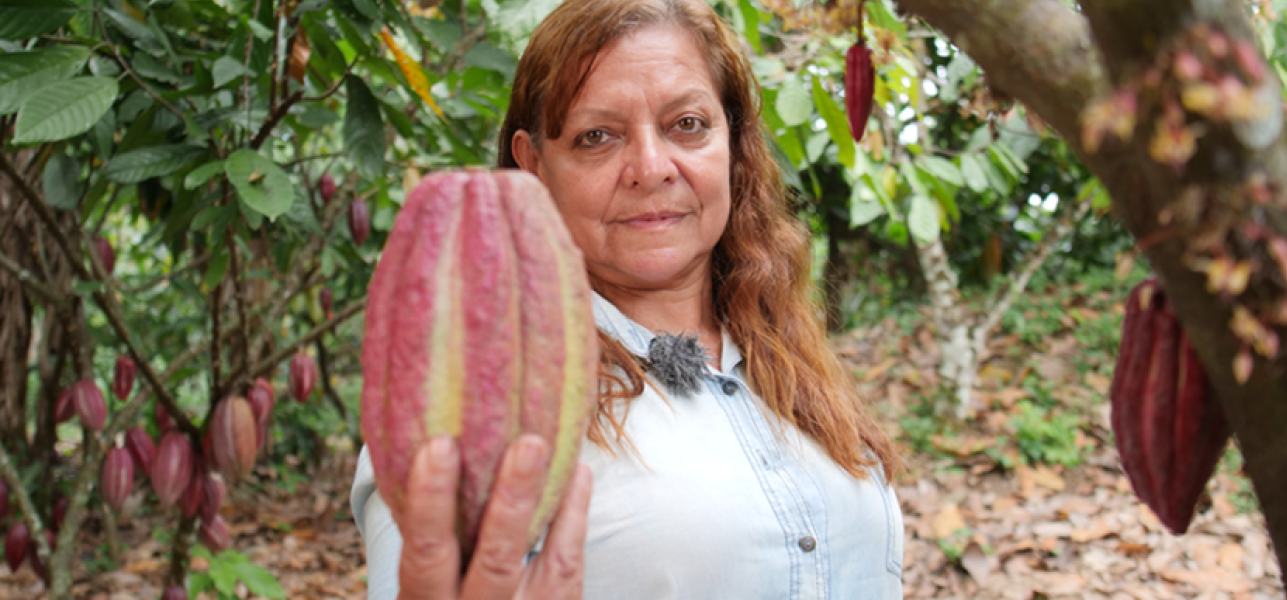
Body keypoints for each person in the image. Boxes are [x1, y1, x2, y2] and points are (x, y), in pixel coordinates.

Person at [349, 0, 905, 597]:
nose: (650, 166)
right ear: (533, 166)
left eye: (687, 124)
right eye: (596, 137)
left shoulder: (782, 353)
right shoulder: (472, 391)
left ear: (733, 143)